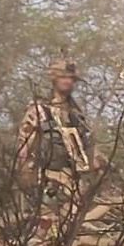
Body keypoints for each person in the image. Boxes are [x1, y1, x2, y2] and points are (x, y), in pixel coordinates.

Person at [16, 58, 98, 231]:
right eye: (63, 77)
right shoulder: (40, 110)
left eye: (71, 78)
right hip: (48, 179)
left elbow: (87, 148)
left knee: (69, 231)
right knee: (43, 229)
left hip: (74, 182)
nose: (68, 81)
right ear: (54, 79)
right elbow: (24, 146)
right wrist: (26, 175)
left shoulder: (76, 114)